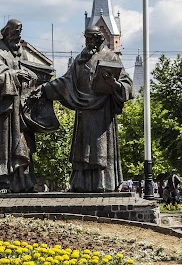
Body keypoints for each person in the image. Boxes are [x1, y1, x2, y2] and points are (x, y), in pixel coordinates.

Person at [33, 25, 135, 192]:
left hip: (103, 114)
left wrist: (114, 84)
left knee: (101, 149)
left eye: (90, 39)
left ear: (98, 39)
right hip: (84, 112)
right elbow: (67, 81)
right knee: (83, 149)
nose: (86, 42)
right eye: (86, 38)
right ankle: (82, 184)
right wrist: (46, 89)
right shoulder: (81, 58)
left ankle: (104, 183)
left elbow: (127, 85)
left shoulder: (111, 57)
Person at [0, 19, 45, 194]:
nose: (18, 35)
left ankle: (24, 181)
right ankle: (2, 181)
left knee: (22, 145)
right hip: (4, 112)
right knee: (3, 147)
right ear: (7, 32)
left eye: (20, 31)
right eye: (15, 32)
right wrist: (14, 74)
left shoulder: (21, 54)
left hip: (21, 111)